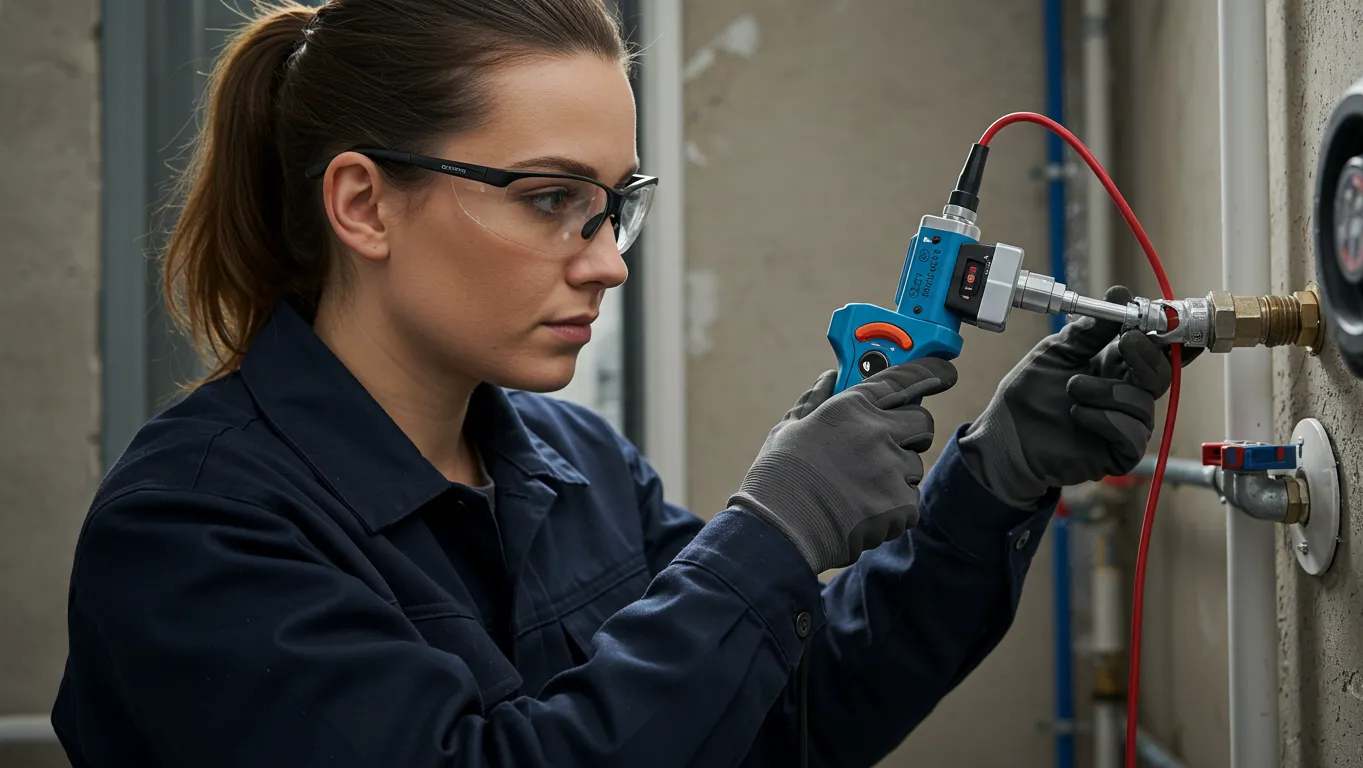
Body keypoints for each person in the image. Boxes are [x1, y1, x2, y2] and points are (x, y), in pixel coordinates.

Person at [50, 2, 1188, 766]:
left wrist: (987, 485)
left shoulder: (573, 461)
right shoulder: (195, 529)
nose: (606, 259)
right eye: (550, 198)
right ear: (362, 205)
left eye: (612, 202)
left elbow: (781, 721)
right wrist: (772, 533)